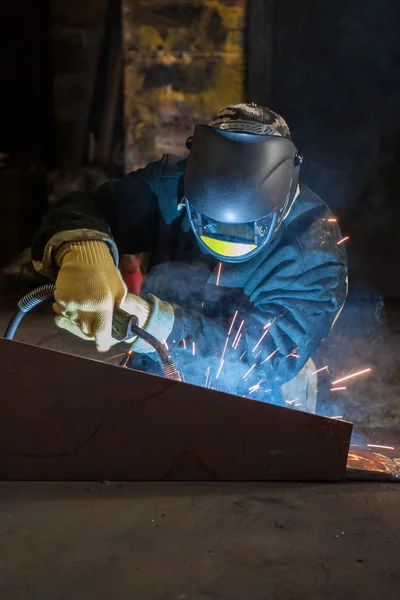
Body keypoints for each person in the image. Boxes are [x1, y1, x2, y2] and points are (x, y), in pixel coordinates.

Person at [32, 104, 347, 405]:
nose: (226, 241)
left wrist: (154, 323)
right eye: (209, 223)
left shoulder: (312, 245)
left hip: (260, 380)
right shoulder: (170, 187)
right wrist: (84, 251)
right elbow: (85, 208)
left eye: (244, 230)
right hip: (151, 357)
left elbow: (266, 356)